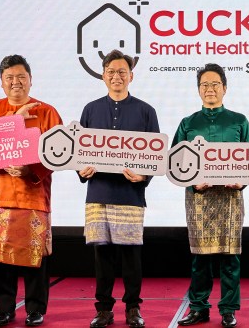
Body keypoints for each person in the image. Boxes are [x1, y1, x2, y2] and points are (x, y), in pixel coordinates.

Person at [0, 55, 63, 327]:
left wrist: (31, 169)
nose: (15, 82)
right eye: (9, 78)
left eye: (21, 77)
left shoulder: (47, 112)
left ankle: (35, 309)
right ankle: (3, 309)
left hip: (33, 194)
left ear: (30, 80)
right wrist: (14, 119)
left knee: (35, 257)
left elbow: (60, 153)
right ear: (1, 82)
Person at [79, 50, 160, 328]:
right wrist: (81, 170)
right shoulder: (90, 109)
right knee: (102, 256)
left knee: (131, 256)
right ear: (103, 76)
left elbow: (156, 156)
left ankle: (133, 308)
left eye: (122, 72)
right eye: (111, 72)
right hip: (98, 193)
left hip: (130, 195)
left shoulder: (146, 111)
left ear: (131, 76)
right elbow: (80, 152)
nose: (117, 76)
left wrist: (144, 176)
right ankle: (103, 309)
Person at [174, 64, 249, 328]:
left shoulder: (239, 121)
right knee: (201, 258)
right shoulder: (188, 123)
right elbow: (174, 162)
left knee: (230, 257)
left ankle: (228, 310)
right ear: (198, 90)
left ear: (224, 88)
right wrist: (193, 184)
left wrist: (241, 183)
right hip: (199, 199)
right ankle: (198, 308)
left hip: (230, 198)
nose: (210, 89)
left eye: (215, 84)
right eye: (204, 85)